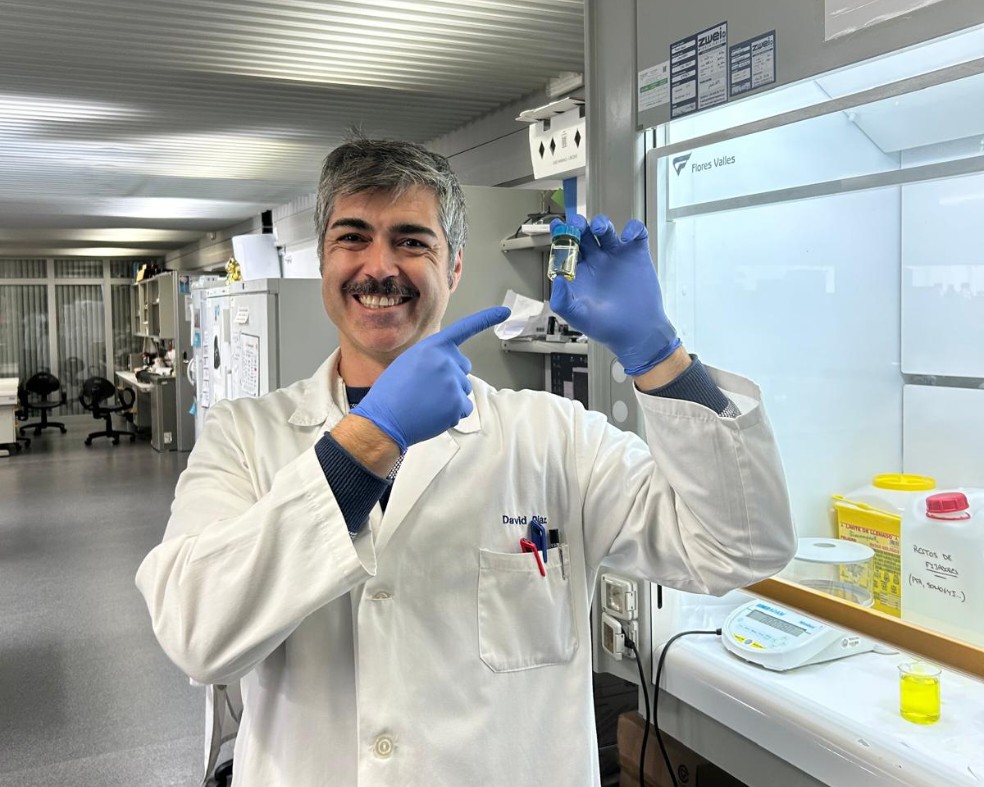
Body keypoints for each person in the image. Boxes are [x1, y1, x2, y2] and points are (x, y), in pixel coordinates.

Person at [136, 138, 795, 786]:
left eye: (411, 241)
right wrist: (369, 441)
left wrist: (659, 353)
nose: (379, 266)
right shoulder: (244, 436)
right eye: (353, 237)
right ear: (323, 262)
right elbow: (196, 633)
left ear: (453, 268)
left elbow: (738, 547)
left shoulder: (553, 436)